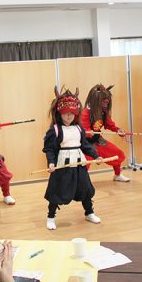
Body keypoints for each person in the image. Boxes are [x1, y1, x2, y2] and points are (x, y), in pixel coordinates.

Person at [43, 86, 103, 230]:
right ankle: (51, 217)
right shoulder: (55, 130)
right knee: (56, 191)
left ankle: (89, 213)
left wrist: (96, 155)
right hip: (63, 166)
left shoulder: (79, 129)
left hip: (79, 164)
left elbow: (85, 145)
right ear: (59, 113)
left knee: (85, 189)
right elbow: (50, 149)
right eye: (66, 113)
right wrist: (51, 163)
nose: (69, 116)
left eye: (72, 113)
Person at [81, 84, 130, 182]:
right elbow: (84, 129)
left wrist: (118, 130)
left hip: (97, 140)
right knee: (84, 163)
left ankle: (117, 175)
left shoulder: (103, 112)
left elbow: (109, 124)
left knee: (117, 154)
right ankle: (80, 182)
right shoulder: (85, 112)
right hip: (85, 143)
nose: (106, 104)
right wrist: (89, 133)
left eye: (107, 101)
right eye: (103, 102)